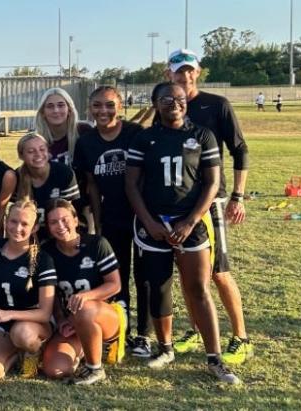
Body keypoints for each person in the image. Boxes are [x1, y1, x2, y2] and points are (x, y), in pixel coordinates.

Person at [125, 82, 239, 384]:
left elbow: (212, 184)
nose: (174, 103)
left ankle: (214, 357)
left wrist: (190, 221)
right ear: (155, 103)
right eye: (166, 99)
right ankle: (165, 347)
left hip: (189, 221)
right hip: (153, 223)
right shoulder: (145, 138)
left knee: (198, 288)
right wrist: (148, 222)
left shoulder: (202, 135)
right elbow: (131, 186)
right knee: (159, 286)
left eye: (179, 98)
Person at [166, 49, 253, 365]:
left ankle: (241, 337)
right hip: (178, 203)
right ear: (169, 74)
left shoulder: (217, 105)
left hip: (211, 201)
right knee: (188, 273)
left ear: (198, 72)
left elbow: (240, 150)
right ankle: (196, 330)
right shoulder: (168, 107)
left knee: (218, 272)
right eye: (179, 71)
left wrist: (238, 196)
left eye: (190, 71)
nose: (185, 76)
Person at [73, 86, 151, 357]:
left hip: (141, 216)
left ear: (120, 106)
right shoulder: (87, 142)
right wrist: (97, 219)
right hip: (111, 217)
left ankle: (144, 334)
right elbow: (92, 184)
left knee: (145, 276)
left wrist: (148, 215)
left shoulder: (135, 134)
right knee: (118, 276)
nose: (103, 111)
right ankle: (122, 331)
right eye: (97, 105)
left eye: (109, 105)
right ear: (90, 109)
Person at [41, 199, 124, 385]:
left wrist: (86, 296)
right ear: (47, 227)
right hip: (73, 321)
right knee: (55, 369)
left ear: (76, 220)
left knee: (84, 308)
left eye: (65, 219)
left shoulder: (97, 244)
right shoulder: (47, 251)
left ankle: (95, 368)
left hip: (104, 316)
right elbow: (50, 294)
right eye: (53, 222)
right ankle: (84, 349)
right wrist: (61, 318)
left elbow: (114, 285)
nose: (60, 226)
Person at [0, 200, 56, 382]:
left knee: (22, 334)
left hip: (32, 324)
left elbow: (44, 313)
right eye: (13, 221)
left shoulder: (43, 259)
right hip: (0, 321)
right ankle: (17, 354)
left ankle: (35, 349)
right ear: (5, 221)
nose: (17, 227)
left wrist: (9, 314)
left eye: (25, 224)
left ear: (35, 228)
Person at [14, 133, 80, 235]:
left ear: (48, 151)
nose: (38, 154)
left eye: (42, 149)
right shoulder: (16, 177)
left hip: (60, 233)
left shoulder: (64, 173)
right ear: (21, 155)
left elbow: (66, 216)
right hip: (29, 235)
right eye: (31, 151)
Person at [35, 88, 80, 165]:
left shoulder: (84, 131)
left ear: (69, 110)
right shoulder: (36, 141)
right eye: (50, 106)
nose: (56, 110)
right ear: (43, 112)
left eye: (61, 105)